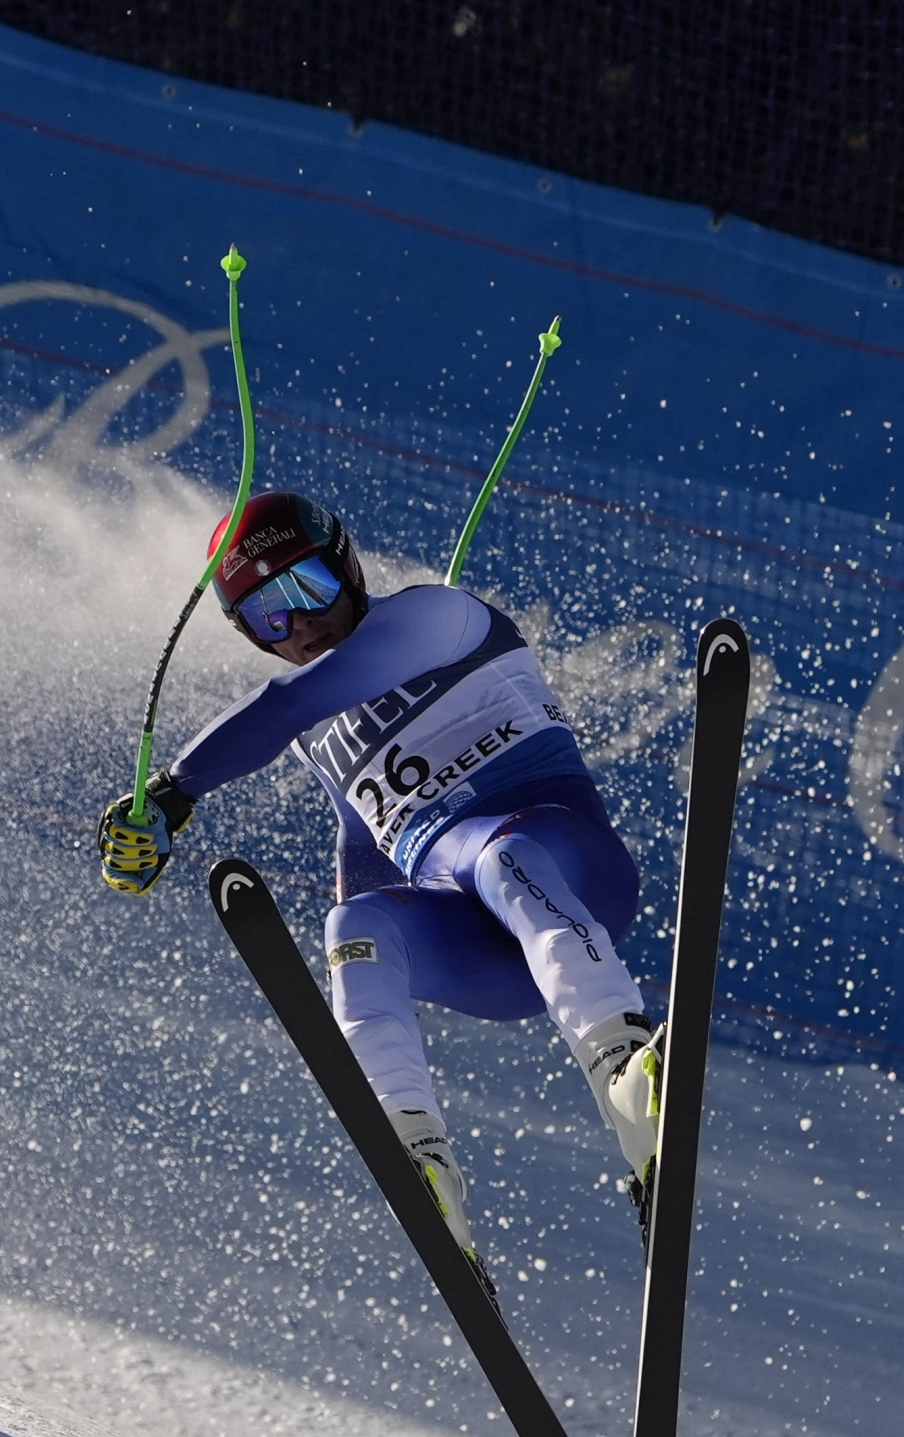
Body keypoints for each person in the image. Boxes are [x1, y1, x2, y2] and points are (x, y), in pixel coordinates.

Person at [98, 489, 662, 1255]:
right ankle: (420, 1165)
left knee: (501, 854)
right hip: (488, 955)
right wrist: (369, 960)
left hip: (568, 876)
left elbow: (287, 701)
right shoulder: (315, 733)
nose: (300, 625)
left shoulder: (435, 616)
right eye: (270, 616)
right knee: (353, 926)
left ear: (350, 566)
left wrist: (173, 791)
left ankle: (628, 1073)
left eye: (309, 588)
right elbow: (363, 847)